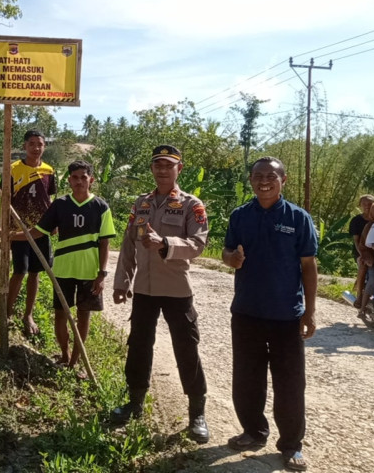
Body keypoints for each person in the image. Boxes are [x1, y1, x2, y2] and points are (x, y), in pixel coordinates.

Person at [222, 156, 317, 472]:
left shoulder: (298, 218)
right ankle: (253, 431)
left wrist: (310, 312)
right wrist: (231, 259)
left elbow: (308, 266)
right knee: (247, 378)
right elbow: (227, 251)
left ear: (283, 180)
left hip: (286, 316)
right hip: (246, 312)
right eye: (258, 176)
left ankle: (291, 445)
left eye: (271, 176)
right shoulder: (240, 216)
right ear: (251, 180)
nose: (264, 181)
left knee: (290, 383)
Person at [111, 145, 210, 443]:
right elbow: (128, 244)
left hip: (177, 290)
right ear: (152, 169)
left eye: (169, 165)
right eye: (158, 165)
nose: (163, 170)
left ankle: (197, 414)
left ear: (179, 169)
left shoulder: (192, 205)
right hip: (144, 289)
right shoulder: (141, 203)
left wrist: (165, 243)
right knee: (139, 345)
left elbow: (198, 244)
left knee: (186, 348)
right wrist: (122, 281)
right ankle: (135, 402)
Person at [10, 160, 115, 373]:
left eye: (83, 177)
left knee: (84, 316)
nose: (79, 181)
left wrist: (102, 274)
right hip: (63, 270)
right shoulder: (60, 205)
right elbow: (38, 231)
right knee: (60, 314)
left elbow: (105, 243)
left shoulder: (101, 207)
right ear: (69, 180)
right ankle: (65, 354)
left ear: (91, 180)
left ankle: (75, 361)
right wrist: (10, 235)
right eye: (75, 177)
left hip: (89, 272)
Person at [2, 130, 57, 336]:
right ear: (24, 146)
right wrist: (3, 226)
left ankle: (28, 315)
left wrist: (54, 222)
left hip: (41, 230)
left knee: (35, 273)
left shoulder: (48, 170)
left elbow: (49, 198)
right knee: (20, 271)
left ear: (44, 147)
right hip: (19, 230)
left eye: (39, 144)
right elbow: (4, 199)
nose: (36, 148)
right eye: (32, 144)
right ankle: (7, 313)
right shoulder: (13, 169)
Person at [349, 195, 374, 302]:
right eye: (364, 204)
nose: (367, 206)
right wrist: (362, 255)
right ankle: (359, 295)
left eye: (370, 204)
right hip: (361, 250)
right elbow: (356, 240)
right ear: (360, 205)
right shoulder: (356, 220)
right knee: (363, 266)